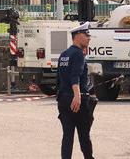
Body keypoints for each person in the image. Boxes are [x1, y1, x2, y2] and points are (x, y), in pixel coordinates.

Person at [56, 22, 96, 159]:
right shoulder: (78, 54)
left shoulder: (64, 54)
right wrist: (77, 96)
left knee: (67, 137)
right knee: (84, 136)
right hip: (77, 101)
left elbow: (59, 79)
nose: (89, 38)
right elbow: (75, 76)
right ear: (77, 36)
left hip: (63, 99)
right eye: (86, 35)